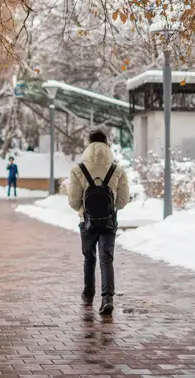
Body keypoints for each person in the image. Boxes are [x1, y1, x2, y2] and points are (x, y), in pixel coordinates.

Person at [67, 130, 129, 315]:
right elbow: (123, 201)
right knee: (106, 258)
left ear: (89, 144)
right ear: (106, 144)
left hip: (87, 221)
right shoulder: (117, 170)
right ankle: (107, 297)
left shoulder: (78, 170)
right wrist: (110, 207)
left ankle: (88, 293)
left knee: (89, 257)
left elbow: (73, 200)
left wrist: (84, 210)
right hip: (109, 221)